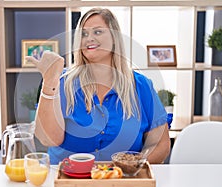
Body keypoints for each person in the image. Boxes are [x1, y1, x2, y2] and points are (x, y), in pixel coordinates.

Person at [26, 8, 170, 165]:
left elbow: (160, 145)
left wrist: (133, 167)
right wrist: (49, 81)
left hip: (123, 182)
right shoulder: (61, 81)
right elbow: (48, 139)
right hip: (66, 181)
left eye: (98, 32)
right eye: (84, 34)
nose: (89, 39)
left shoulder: (141, 86)